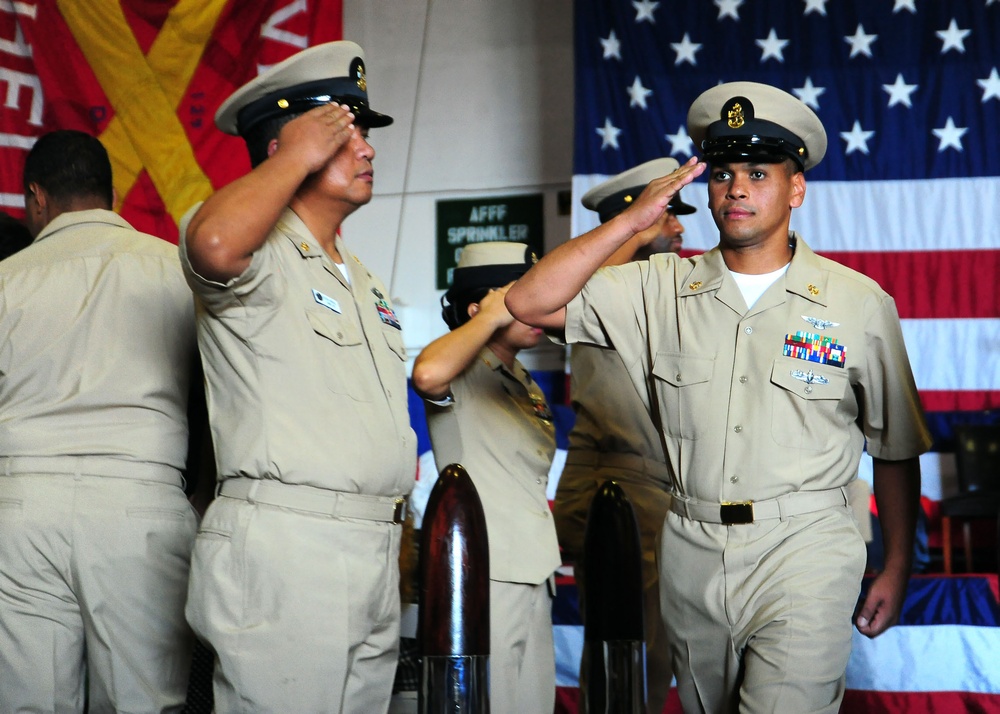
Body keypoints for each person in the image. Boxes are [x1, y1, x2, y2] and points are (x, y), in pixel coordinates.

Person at [506, 81, 932, 713]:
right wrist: (632, 221)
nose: (736, 189)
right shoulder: (656, 287)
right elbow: (528, 301)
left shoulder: (857, 302)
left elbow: (895, 446)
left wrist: (897, 566)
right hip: (692, 552)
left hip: (806, 548)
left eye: (759, 173)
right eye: (723, 174)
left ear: (795, 188)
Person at [179, 41, 415, 712]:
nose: (367, 149)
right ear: (292, 143)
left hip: (371, 546)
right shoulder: (259, 252)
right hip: (290, 544)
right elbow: (214, 245)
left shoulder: (360, 277)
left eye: (365, 134)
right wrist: (300, 154)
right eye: (346, 133)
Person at [0, 130, 199, 712]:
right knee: (144, 702)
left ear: (36, 198)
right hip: (140, 501)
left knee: (27, 703)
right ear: (111, 195)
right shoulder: (174, 268)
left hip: (21, 505)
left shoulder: (6, 279)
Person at [554, 156, 695, 714]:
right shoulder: (598, 288)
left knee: (644, 648)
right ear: (636, 219)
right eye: (668, 216)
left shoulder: (656, 288)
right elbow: (567, 295)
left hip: (648, 487)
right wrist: (633, 223)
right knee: (638, 651)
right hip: (630, 490)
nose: (681, 227)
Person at [411, 242, 560, 714]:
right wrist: (489, 319)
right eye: (524, 295)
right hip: (484, 571)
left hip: (531, 568)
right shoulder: (464, 368)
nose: (539, 306)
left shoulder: (521, 379)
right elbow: (428, 374)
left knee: (530, 703)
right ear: (482, 306)